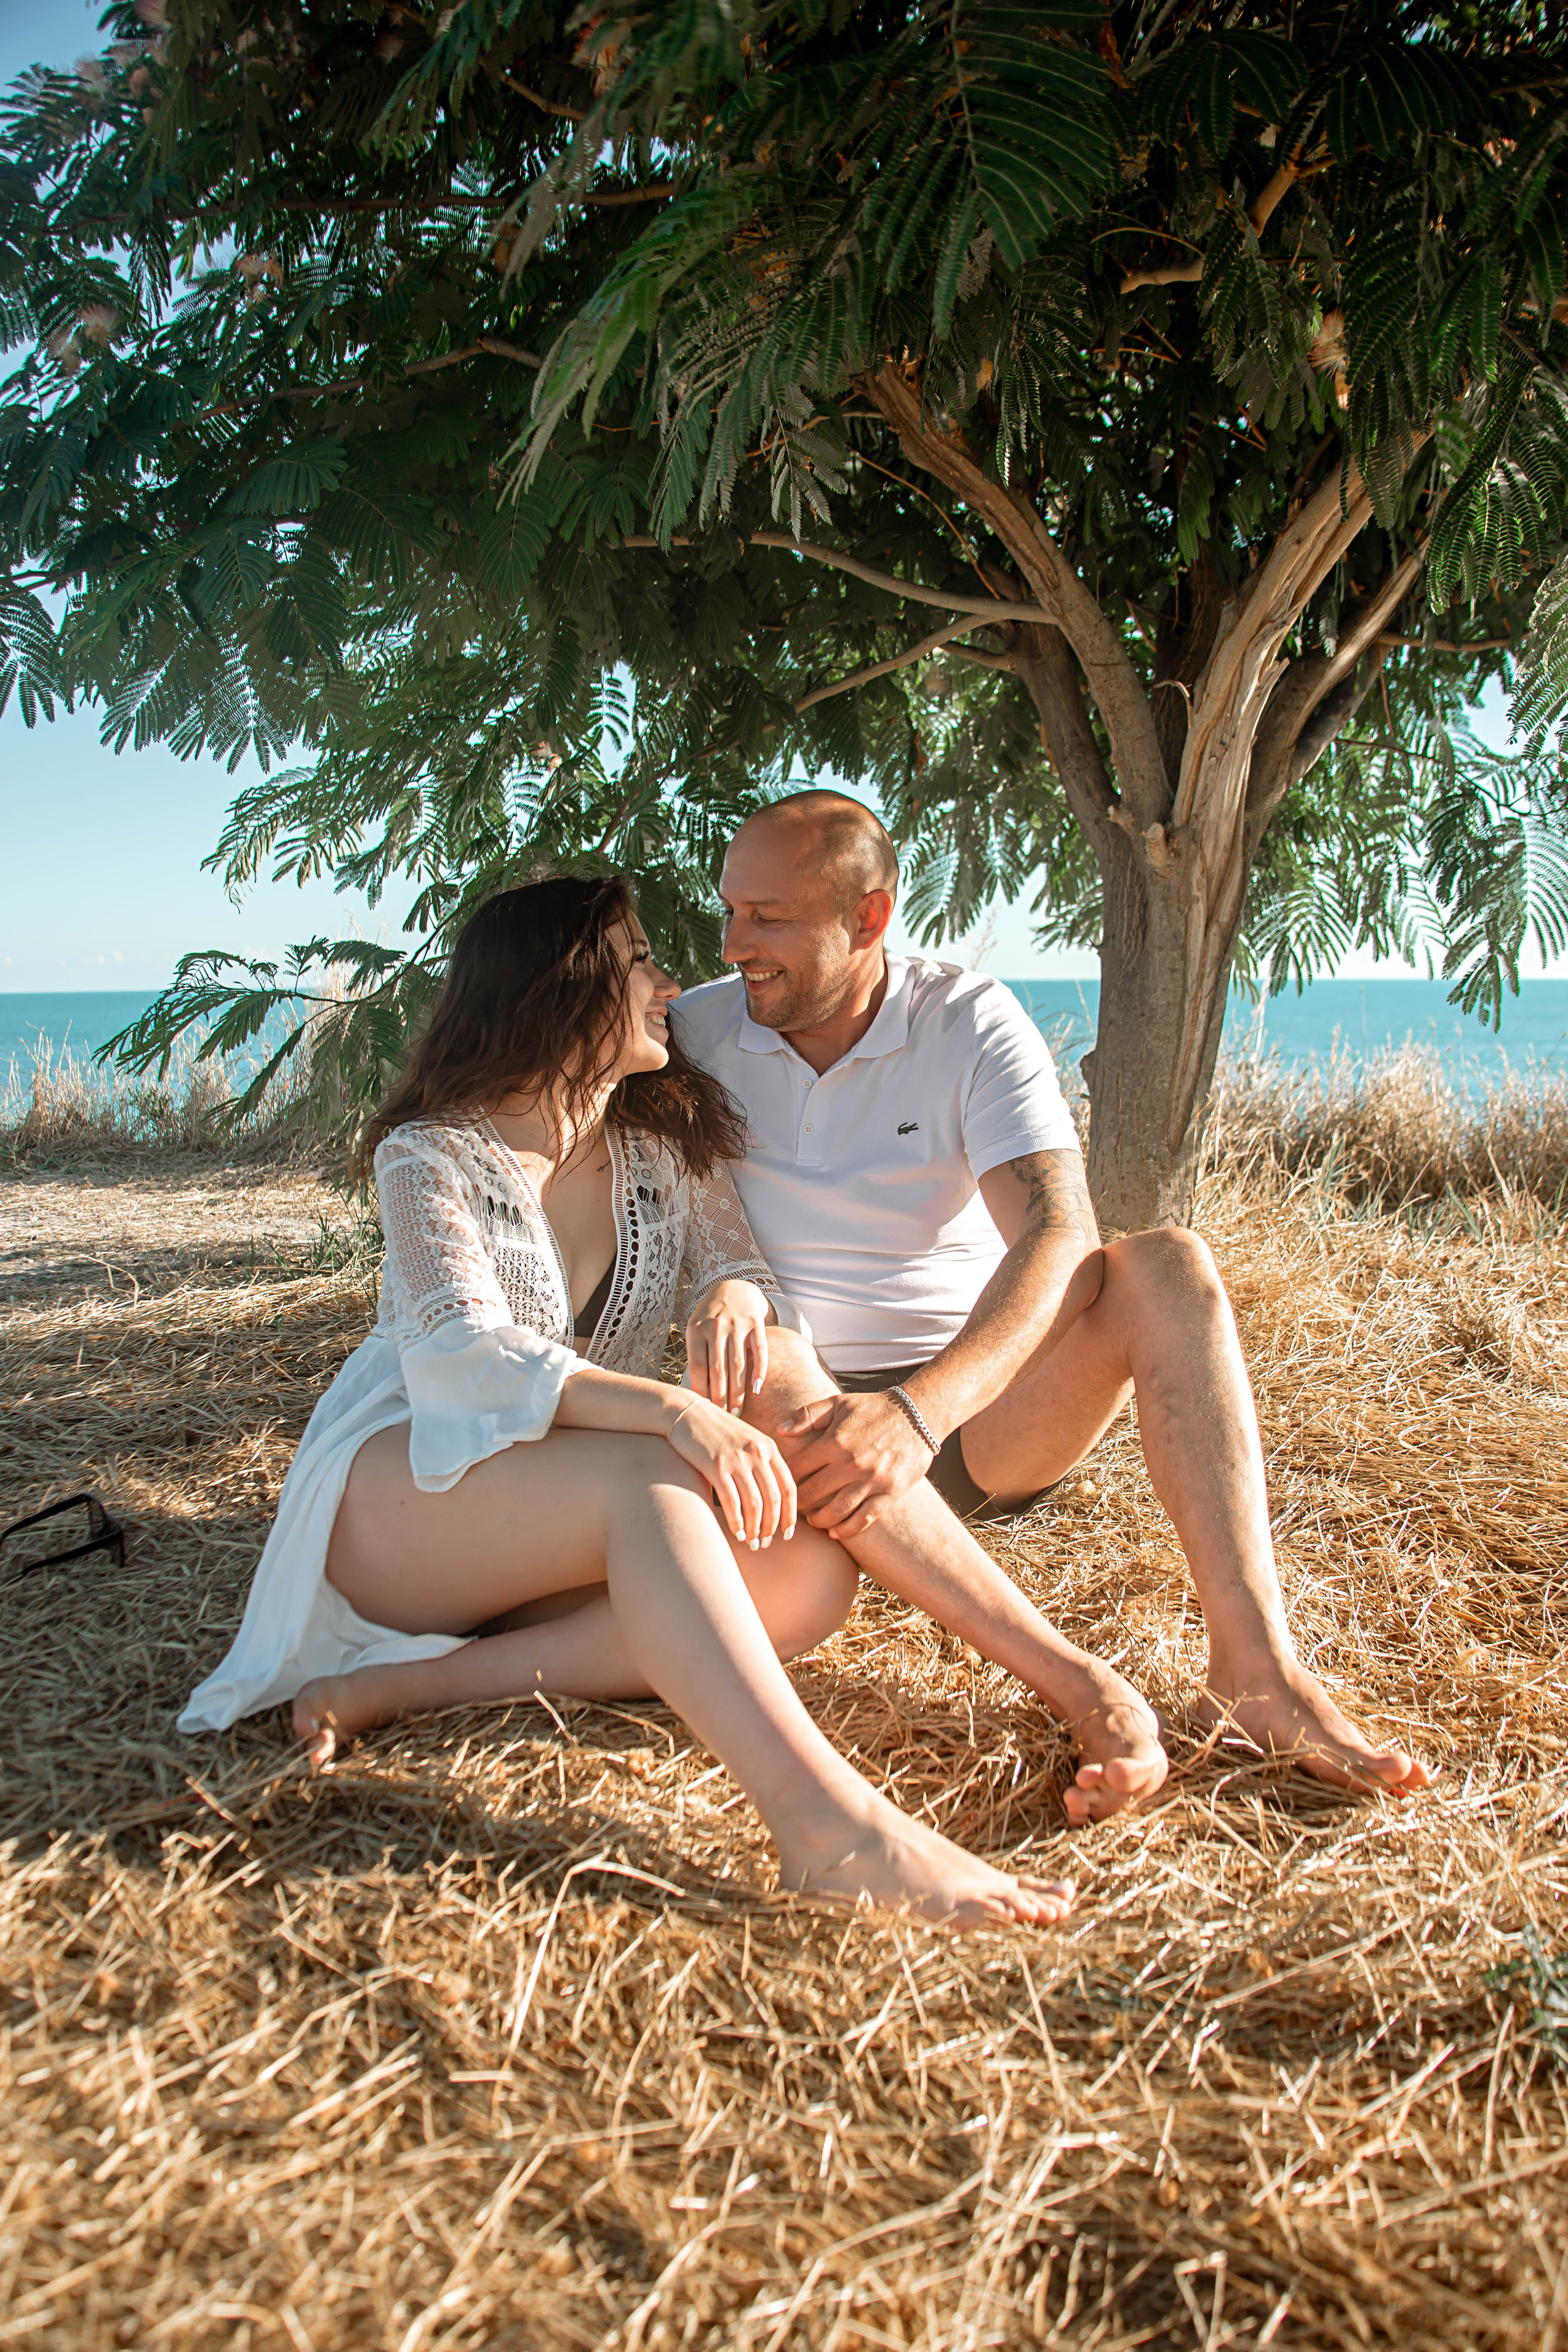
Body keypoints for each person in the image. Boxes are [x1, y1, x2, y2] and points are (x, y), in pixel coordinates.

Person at [177, 875, 1077, 1930]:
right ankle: (827, 1828)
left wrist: (734, 1295)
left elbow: (741, 1273)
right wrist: (673, 1410)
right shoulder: (429, 1152)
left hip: (545, 1511)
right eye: (642, 961)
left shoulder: (657, 1149)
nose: (672, 981)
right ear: (565, 986)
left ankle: (406, 1692)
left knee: (806, 1572)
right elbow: (464, 1351)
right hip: (403, 1487)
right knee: (655, 1480)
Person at [671, 791, 1434, 1815]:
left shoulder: (966, 1019)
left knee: (1166, 1262)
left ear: (868, 917)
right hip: (786, 1418)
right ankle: (1081, 1686)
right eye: (729, 912)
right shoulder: (691, 1032)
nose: (735, 944)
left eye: (767, 917)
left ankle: (1255, 1671)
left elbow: (1060, 1230)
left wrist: (916, 1413)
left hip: (966, 1420)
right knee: (770, 1351)